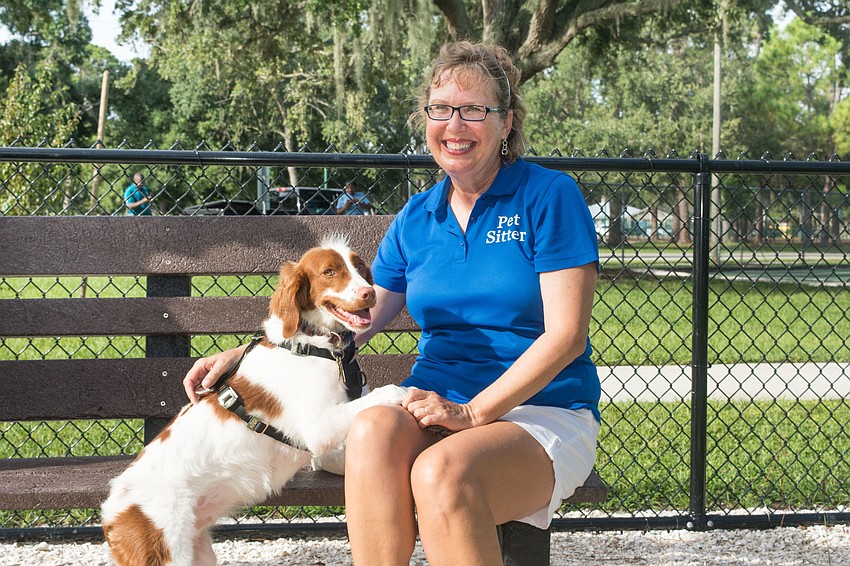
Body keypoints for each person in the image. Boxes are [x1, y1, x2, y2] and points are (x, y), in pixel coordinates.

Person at [183, 41, 600, 566]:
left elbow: (566, 337)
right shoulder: (417, 217)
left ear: (507, 123)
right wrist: (249, 356)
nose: (455, 125)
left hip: (542, 411)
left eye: (474, 110)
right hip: (434, 402)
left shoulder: (549, 196)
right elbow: (354, 319)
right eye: (440, 109)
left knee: (441, 472)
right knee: (374, 430)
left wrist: (474, 413)